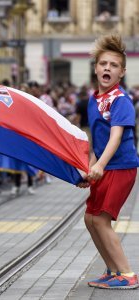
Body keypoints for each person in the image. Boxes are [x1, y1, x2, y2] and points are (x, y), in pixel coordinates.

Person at [78, 34, 139, 289]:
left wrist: (99, 166)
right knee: (90, 219)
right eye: (103, 64)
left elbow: (115, 138)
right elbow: (98, 141)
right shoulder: (94, 100)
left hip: (121, 167)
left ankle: (127, 274)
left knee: (101, 220)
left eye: (114, 65)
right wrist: (89, 167)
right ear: (95, 68)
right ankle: (112, 270)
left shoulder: (121, 100)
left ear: (122, 73)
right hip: (105, 166)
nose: (107, 68)